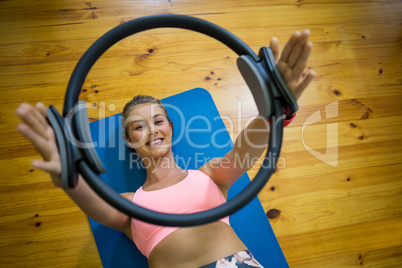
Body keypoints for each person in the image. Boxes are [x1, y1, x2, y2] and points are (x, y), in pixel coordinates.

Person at [16, 30, 315, 268]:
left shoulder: (208, 174)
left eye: (158, 120)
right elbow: (95, 204)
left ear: (170, 128)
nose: (152, 129)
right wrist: (70, 176)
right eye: (138, 126)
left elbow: (243, 152)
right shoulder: (129, 202)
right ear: (131, 141)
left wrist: (272, 115)